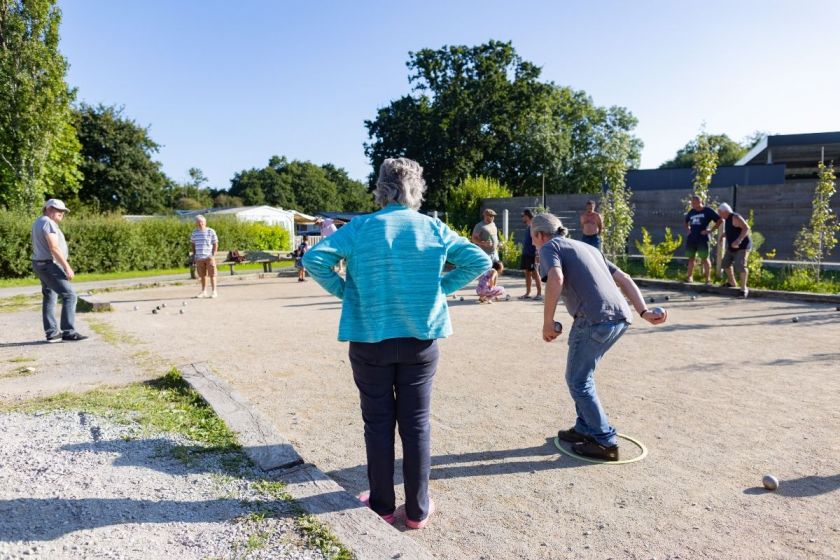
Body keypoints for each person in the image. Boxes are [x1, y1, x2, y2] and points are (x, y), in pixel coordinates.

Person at [302, 157, 489, 529]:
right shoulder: (433, 227)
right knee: (417, 424)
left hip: (369, 338)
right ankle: (418, 510)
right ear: (416, 188)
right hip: (420, 339)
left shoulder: (361, 228)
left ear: (381, 188)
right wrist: (439, 290)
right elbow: (478, 260)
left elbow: (315, 258)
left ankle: (383, 504)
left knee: (378, 423)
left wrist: (348, 293)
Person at [531, 212, 667, 461]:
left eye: (533, 238)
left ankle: (605, 441)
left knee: (578, 380)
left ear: (540, 234)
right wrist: (644, 311)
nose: (533, 244)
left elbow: (556, 277)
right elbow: (623, 278)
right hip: (620, 319)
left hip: (593, 320)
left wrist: (547, 322)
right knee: (584, 376)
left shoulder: (550, 246)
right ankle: (586, 427)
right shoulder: (586, 247)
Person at [30, 199, 87, 342]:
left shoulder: (38, 221)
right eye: (58, 210)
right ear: (48, 209)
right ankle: (68, 332)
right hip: (49, 265)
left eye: (63, 211)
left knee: (50, 296)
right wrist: (67, 267)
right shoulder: (48, 222)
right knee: (70, 295)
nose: (62, 213)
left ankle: (52, 333)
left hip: (40, 263)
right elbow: (54, 247)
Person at [684, 195, 722, 284]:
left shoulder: (707, 211)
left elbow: (720, 220)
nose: (692, 204)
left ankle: (707, 279)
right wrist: (688, 230)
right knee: (691, 258)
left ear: (699, 202)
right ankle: (689, 278)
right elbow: (686, 222)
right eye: (692, 203)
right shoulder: (692, 211)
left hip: (703, 239)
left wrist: (710, 230)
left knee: (705, 258)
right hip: (692, 239)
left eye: (694, 202)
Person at [717, 203, 752, 298]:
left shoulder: (735, 217)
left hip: (742, 246)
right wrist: (724, 235)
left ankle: (744, 289)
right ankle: (732, 282)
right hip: (732, 246)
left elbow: (746, 228)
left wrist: (738, 240)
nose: (719, 214)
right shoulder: (727, 219)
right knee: (725, 264)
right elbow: (733, 229)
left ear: (725, 211)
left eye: (720, 212)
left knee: (740, 265)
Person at [190, 215, 219, 298]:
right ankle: (204, 291)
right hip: (199, 257)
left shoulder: (211, 231)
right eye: (198, 222)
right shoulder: (194, 232)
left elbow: (215, 243)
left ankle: (214, 291)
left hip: (209, 256)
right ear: (196, 223)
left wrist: (213, 255)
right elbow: (193, 243)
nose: (200, 224)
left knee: (212, 274)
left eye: (202, 222)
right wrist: (195, 254)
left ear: (205, 222)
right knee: (202, 275)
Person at [519, 209, 543, 300]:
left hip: (532, 254)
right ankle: (528, 293)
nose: (522, 218)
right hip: (526, 253)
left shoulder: (534, 226)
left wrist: (537, 254)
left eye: (523, 216)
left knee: (535, 273)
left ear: (527, 216)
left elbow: (538, 240)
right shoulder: (529, 226)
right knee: (527, 273)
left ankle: (539, 294)